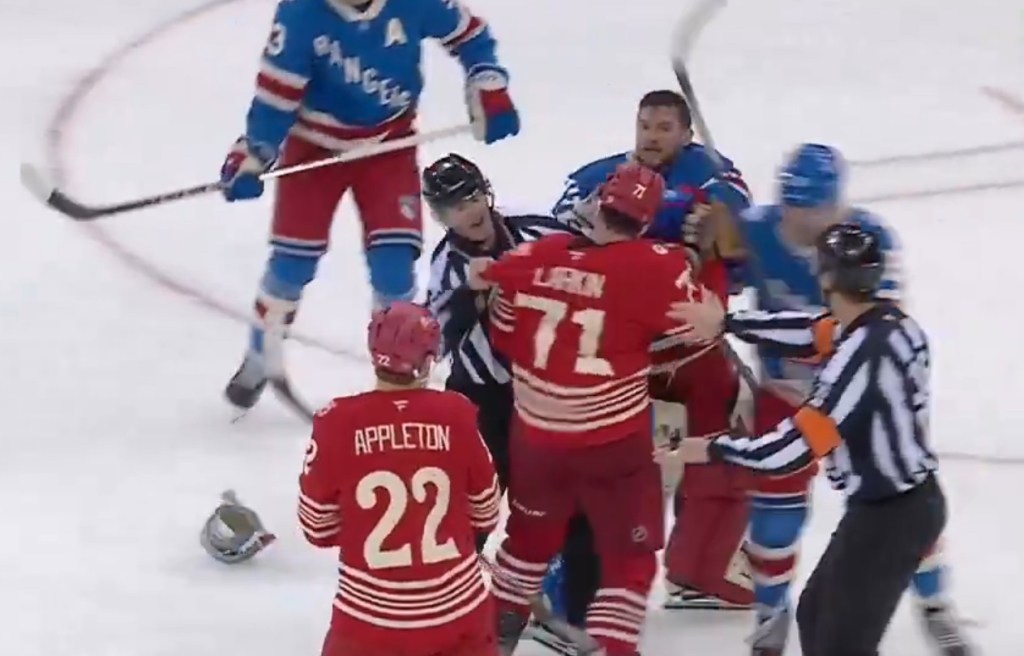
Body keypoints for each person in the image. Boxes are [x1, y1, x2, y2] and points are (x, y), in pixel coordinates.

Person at [728, 143, 969, 655]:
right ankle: (772, 613)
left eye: (812, 209)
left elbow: (864, 332)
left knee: (898, 494)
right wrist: (716, 229)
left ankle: (934, 602)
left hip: (860, 403)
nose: (801, 220)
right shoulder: (756, 230)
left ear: (835, 205)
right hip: (784, 394)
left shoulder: (865, 242)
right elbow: (722, 275)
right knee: (775, 513)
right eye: (793, 207)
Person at [220, 0, 520, 410]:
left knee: (394, 270)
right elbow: (276, 97)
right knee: (292, 262)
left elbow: (469, 33)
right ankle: (260, 355)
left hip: (388, 146)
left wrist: (488, 83)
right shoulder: (300, 13)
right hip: (313, 149)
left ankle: (402, 380)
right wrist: (254, 152)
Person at [666, 222, 949, 656]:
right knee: (815, 614)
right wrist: (726, 323)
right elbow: (807, 331)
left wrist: (711, 448)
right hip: (894, 505)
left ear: (828, 278)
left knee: (840, 644)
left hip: (893, 517)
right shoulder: (889, 324)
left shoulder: (858, 359)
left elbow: (788, 451)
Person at [469, 162, 704, 656]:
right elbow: (699, 331)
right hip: (612, 445)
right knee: (629, 559)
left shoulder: (534, 254)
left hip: (536, 440)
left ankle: (488, 644)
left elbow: (503, 329)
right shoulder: (658, 266)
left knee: (526, 546)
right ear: (646, 219)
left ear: (598, 202)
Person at [552, 88, 755, 611]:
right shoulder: (601, 176)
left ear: (686, 134)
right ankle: (572, 581)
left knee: (730, 435)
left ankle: (698, 569)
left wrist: (718, 219)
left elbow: (737, 213)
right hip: (620, 359)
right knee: (603, 463)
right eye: (645, 125)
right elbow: (565, 216)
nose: (651, 136)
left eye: (665, 127)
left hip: (691, 353)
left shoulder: (709, 173)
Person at [423, 154, 598, 654]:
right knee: (469, 519)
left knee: (563, 511)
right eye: (455, 204)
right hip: (479, 406)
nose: (469, 209)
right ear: (441, 215)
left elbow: (597, 257)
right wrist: (471, 295)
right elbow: (436, 339)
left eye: (473, 195)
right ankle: (440, 618)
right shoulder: (447, 265)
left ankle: (544, 614)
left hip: (544, 398)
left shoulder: (537, 230)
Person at [297, 301, 503, 656]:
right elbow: (486, 514)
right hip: (459, 615)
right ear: (426, 361)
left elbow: (317, 529)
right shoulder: (457, 414)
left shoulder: (335, 422)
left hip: (369, 623)